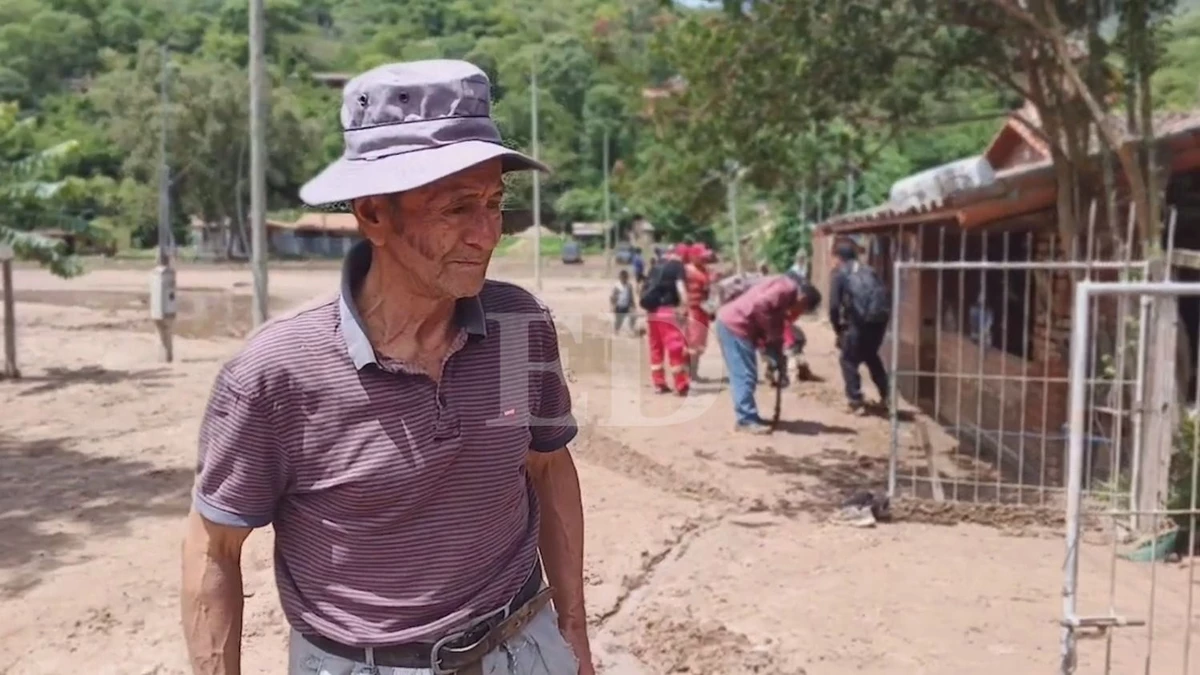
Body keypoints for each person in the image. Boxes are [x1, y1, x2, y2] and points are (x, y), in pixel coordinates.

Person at [181, 60, 594, 675]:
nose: (486, 234)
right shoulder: (276, 373)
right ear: (373, 214)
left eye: (494, 203)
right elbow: (215, 547)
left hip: (523, 649)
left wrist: (572, 635)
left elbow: (547, 466)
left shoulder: (518, 326)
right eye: (456, 208)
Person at [715, 269, 821, 434]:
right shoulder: (787, 289)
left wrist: (777, 355)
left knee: (746, 374)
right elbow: (761, 306)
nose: (798, 314)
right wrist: (771, 334)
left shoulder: (784, 295)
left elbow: (774, 328)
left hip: (737, 326)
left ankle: (748, 416)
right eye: (802, 310)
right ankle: (746, 420)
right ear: (803, 300)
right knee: (744, 374)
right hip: (735, 325)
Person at [828, 240, 891, 414]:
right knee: (871, 356)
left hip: (858, 322)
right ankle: (888, 397)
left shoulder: (840, 274)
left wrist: (838, 329)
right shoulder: (870, 270)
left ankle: (855, 401)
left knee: (848, 359)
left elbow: (834, 306)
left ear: (838, 257)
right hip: (879, 322)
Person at [639, 244, 689, 395]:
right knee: (675, 346)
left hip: (651, 312)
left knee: (655, 347)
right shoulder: (677, 266)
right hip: (667, 311)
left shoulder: (656, 266)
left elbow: (644, 288)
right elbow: (681, 288)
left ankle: (659, 383)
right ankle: (680, 384)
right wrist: (684, 307)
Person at [683, 243, 714, 381]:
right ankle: (688, 373)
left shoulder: (705, 270)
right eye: (701, 257)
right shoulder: (686, 270)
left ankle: (693, 372)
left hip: (704, 310)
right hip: (692, 310)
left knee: (700, 344)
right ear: (693, 257)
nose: (704, 259)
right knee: (692, 343)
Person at [611, 269, 636, 336]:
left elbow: (631, 296)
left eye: (625, 278)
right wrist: (613, 306)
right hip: (619, 306)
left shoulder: (629, 285)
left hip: (627, 305)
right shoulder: (617, 286)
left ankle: (631, 330)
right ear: (620, 278)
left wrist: (633, 305)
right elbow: (613, 297)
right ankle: (616, 331)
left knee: (632, 317)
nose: (624, 279)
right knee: (619, 320)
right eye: (622, 278)